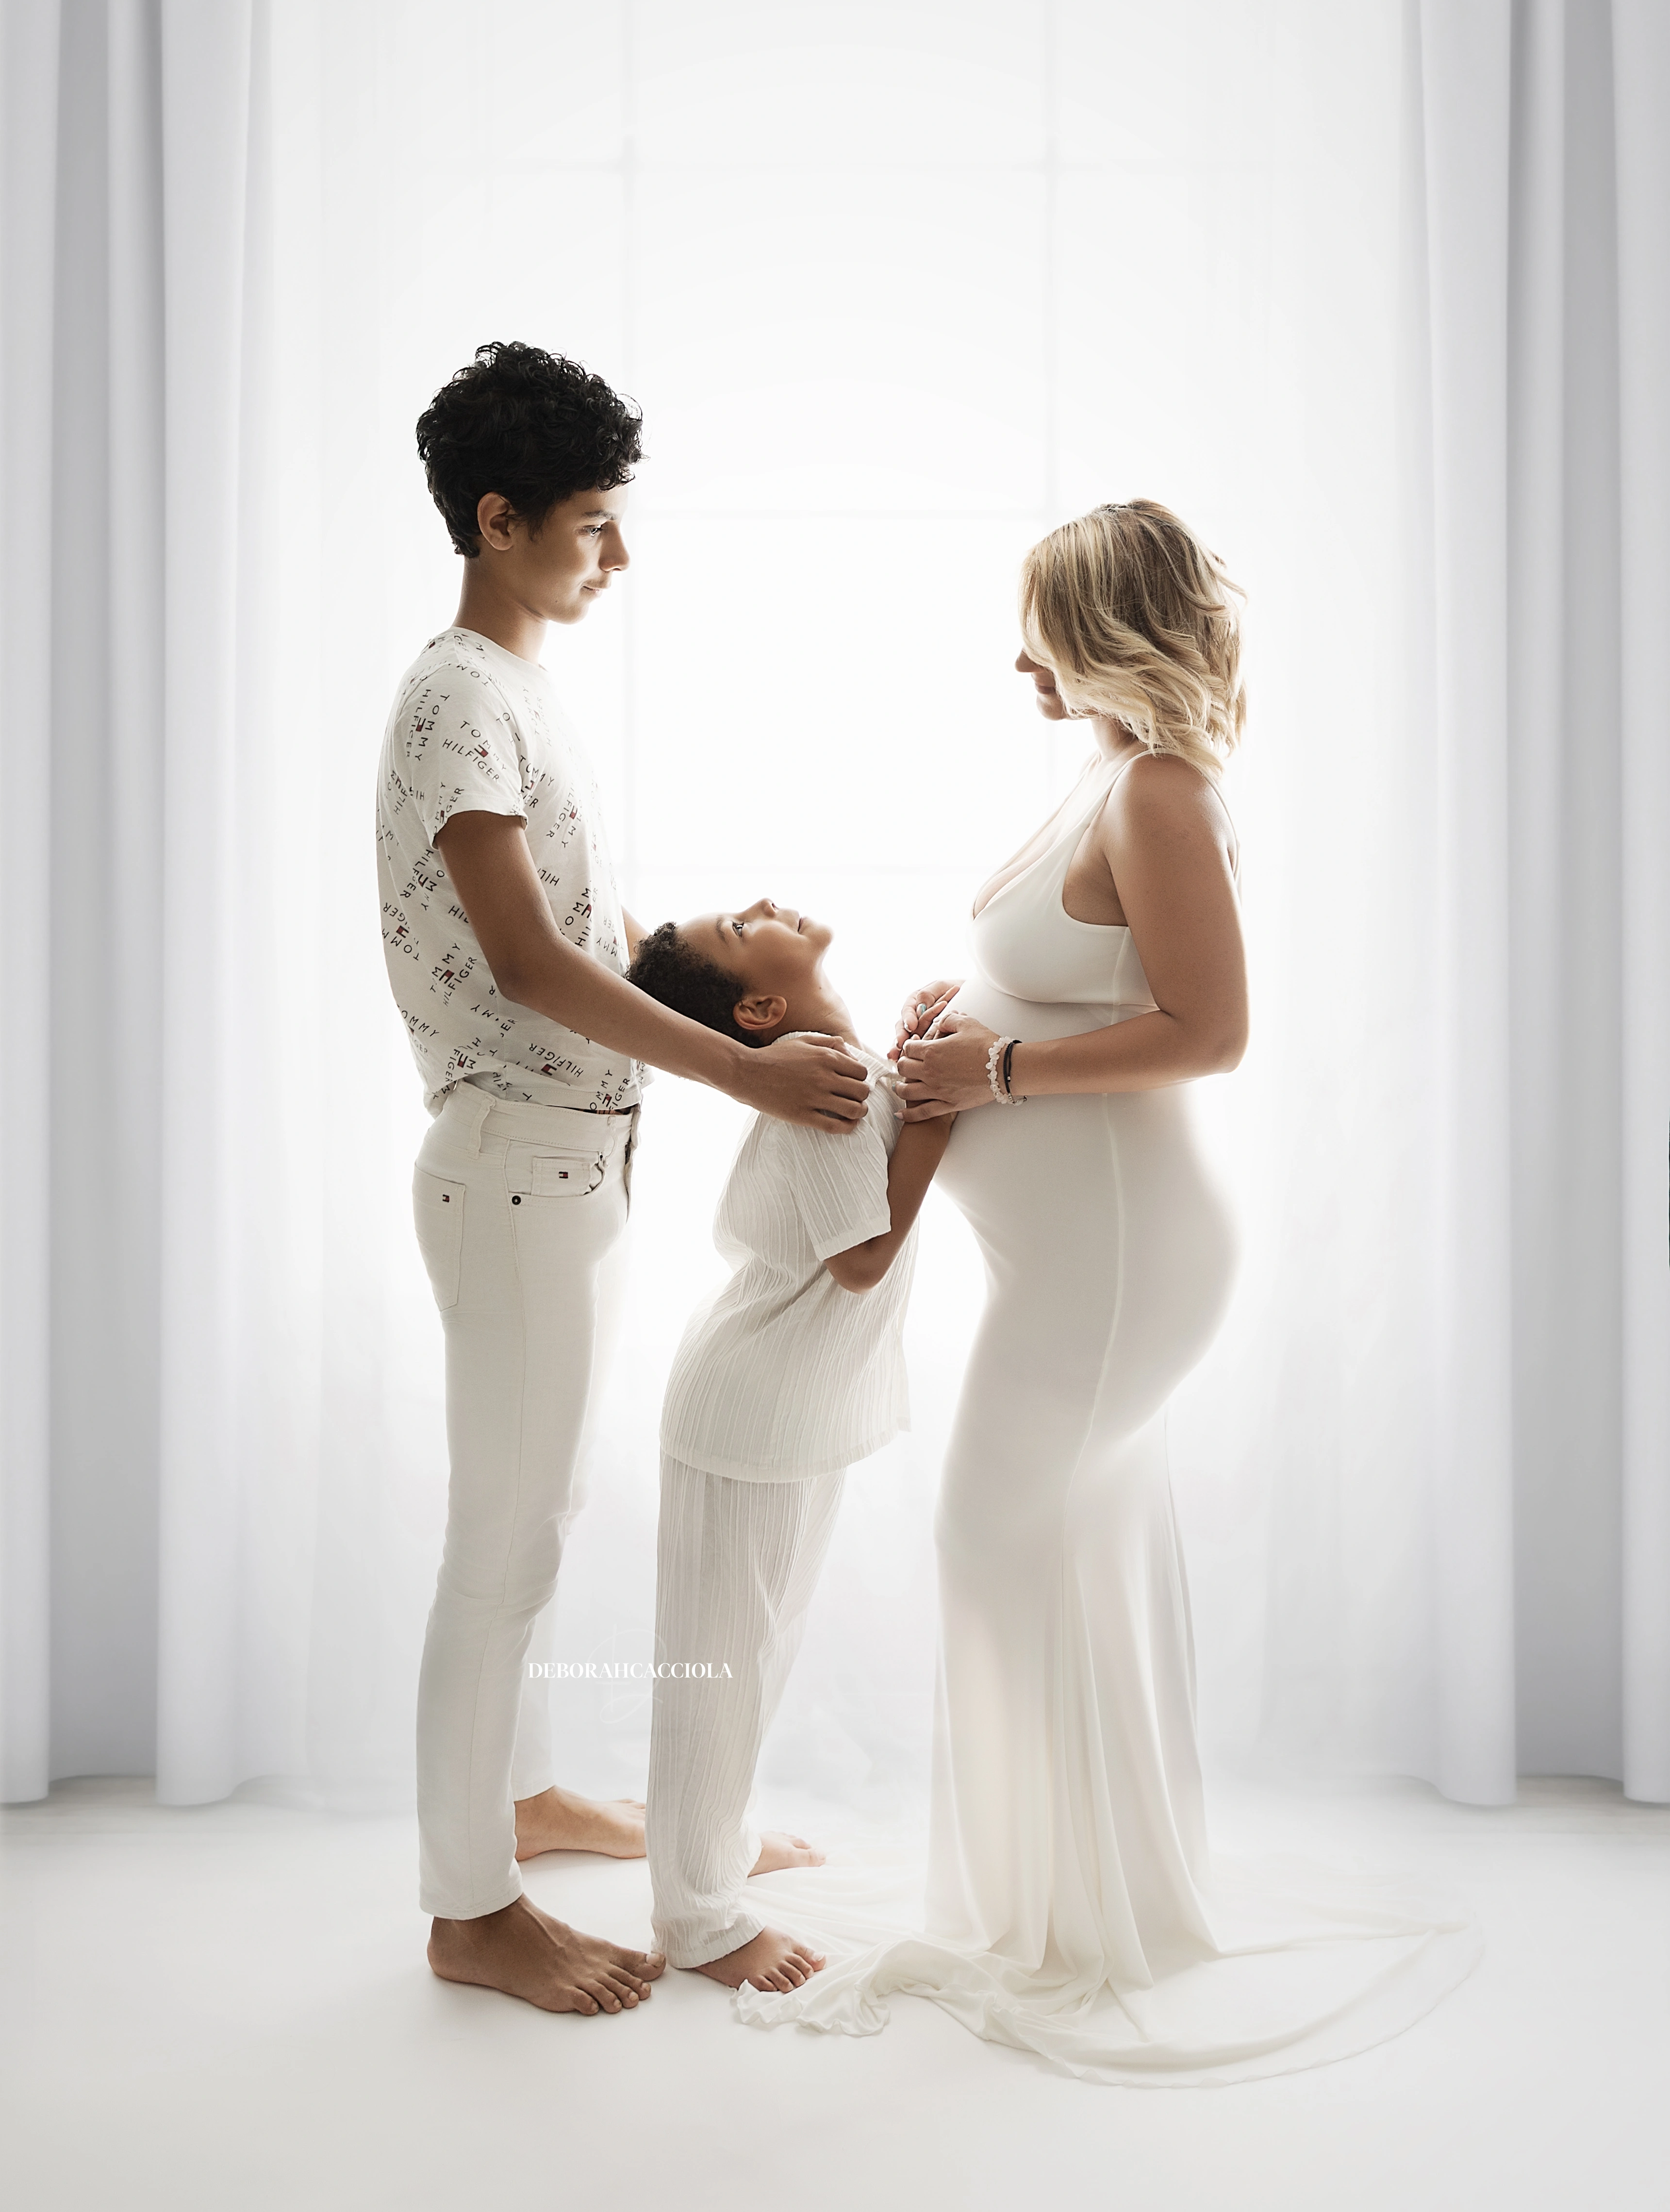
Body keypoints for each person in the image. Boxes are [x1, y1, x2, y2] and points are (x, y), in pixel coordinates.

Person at [735, 501, 1478, 2082]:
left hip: (1125, 1253)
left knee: (996, 1535)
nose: (1017, 660)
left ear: (1107, 635)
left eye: (1040, 633)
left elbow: (1211, 1031)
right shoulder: (1110, 773)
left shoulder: (1157, 789)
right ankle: (1074, 1901)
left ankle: (1059, 1926)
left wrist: (992, 1060)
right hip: (1083, 1247)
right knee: (1057, 1544)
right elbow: (1089, 974)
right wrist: (971, 1005)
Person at [375, 342, 870, 2018]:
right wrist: (745, 1068)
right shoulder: (457, 691)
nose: (618, 555)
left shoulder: (515, 689)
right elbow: (517, 963)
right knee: (500, 1546)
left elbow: (568, 938)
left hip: (558, 1163)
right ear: (499, 520)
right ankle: (468, 1907)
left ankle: (519, 1806)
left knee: (538, 1521)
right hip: (517, 1165)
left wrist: (688, 957)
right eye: (592, 524)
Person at [626, 901, 953, 1994]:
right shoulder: (824, 1079)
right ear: (761, 1005)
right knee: (716, 1671)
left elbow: (874, 1155)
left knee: (757, 1650)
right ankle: (697, 1914)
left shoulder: (836, 1066)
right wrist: (941, 1123)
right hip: (750, 1415)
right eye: (739, 926)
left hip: (787, 1407)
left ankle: (712, 1847)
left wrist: (917, 1055)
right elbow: (859, 1259)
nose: (762, 906)